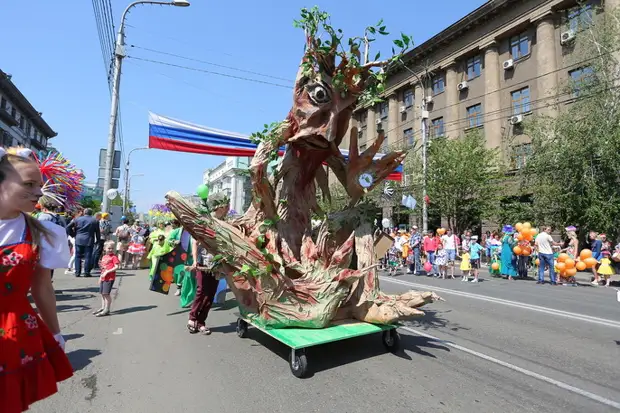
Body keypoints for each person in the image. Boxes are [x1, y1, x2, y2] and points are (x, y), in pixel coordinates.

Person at [0, 147, 73, 412]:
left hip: (15, 328)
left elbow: (42, 287)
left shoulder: (43, 233)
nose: (39, 192)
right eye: (29, 184)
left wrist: (55, 332)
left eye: (40, 185)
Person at [187, 192, 230, 335]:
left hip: (217, 264)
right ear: (220, 206)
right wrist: (194, 260)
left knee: (210, 295)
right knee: (201, 291)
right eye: (226, 205)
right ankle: (192, 317)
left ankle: (201, 322)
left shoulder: (226, 223)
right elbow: (195, 241)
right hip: (203, 262)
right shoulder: (206, 221)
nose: (228, 207)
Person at [66, 208, 100, 277]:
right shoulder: (95, 220)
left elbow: (67, 227)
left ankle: (77, 272)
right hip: (89, 240)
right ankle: (86, 272)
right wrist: (98, 240)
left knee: (77, 256)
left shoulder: (77, 219)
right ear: (91, 213)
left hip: (78, 239)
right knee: (88, 256)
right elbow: (97, 232)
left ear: (84, 213)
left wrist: (73, 234)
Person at [95, 240, 121, 316]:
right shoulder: (104, 257)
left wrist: (107, 272)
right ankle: (103, 307)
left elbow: (116, 267)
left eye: (112, 248)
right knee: (102, 294)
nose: (111, 250)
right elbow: (103, 268)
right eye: (109, 248)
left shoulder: (114, 257)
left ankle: (107, 309)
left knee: (106, 294)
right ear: (104, 248)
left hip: (109, 278)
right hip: (103, 278)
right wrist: (100, 277)